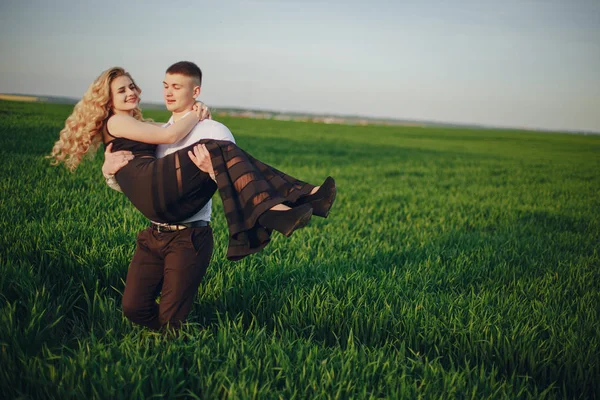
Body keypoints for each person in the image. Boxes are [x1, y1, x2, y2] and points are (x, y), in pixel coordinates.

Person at [49, 62, 336, 330]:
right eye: (122, 90)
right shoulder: (150, 129)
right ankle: (289, 203)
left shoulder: (210, 130)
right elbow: (151, 165)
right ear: (108, 100)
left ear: (195, 91)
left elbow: (229, 178)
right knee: (134, 309)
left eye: (132, 86)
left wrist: (211, 169)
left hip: (188, 235)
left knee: (172, 320)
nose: (133, 92)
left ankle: (289, 205)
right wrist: (108, 172)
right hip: (154, 227)